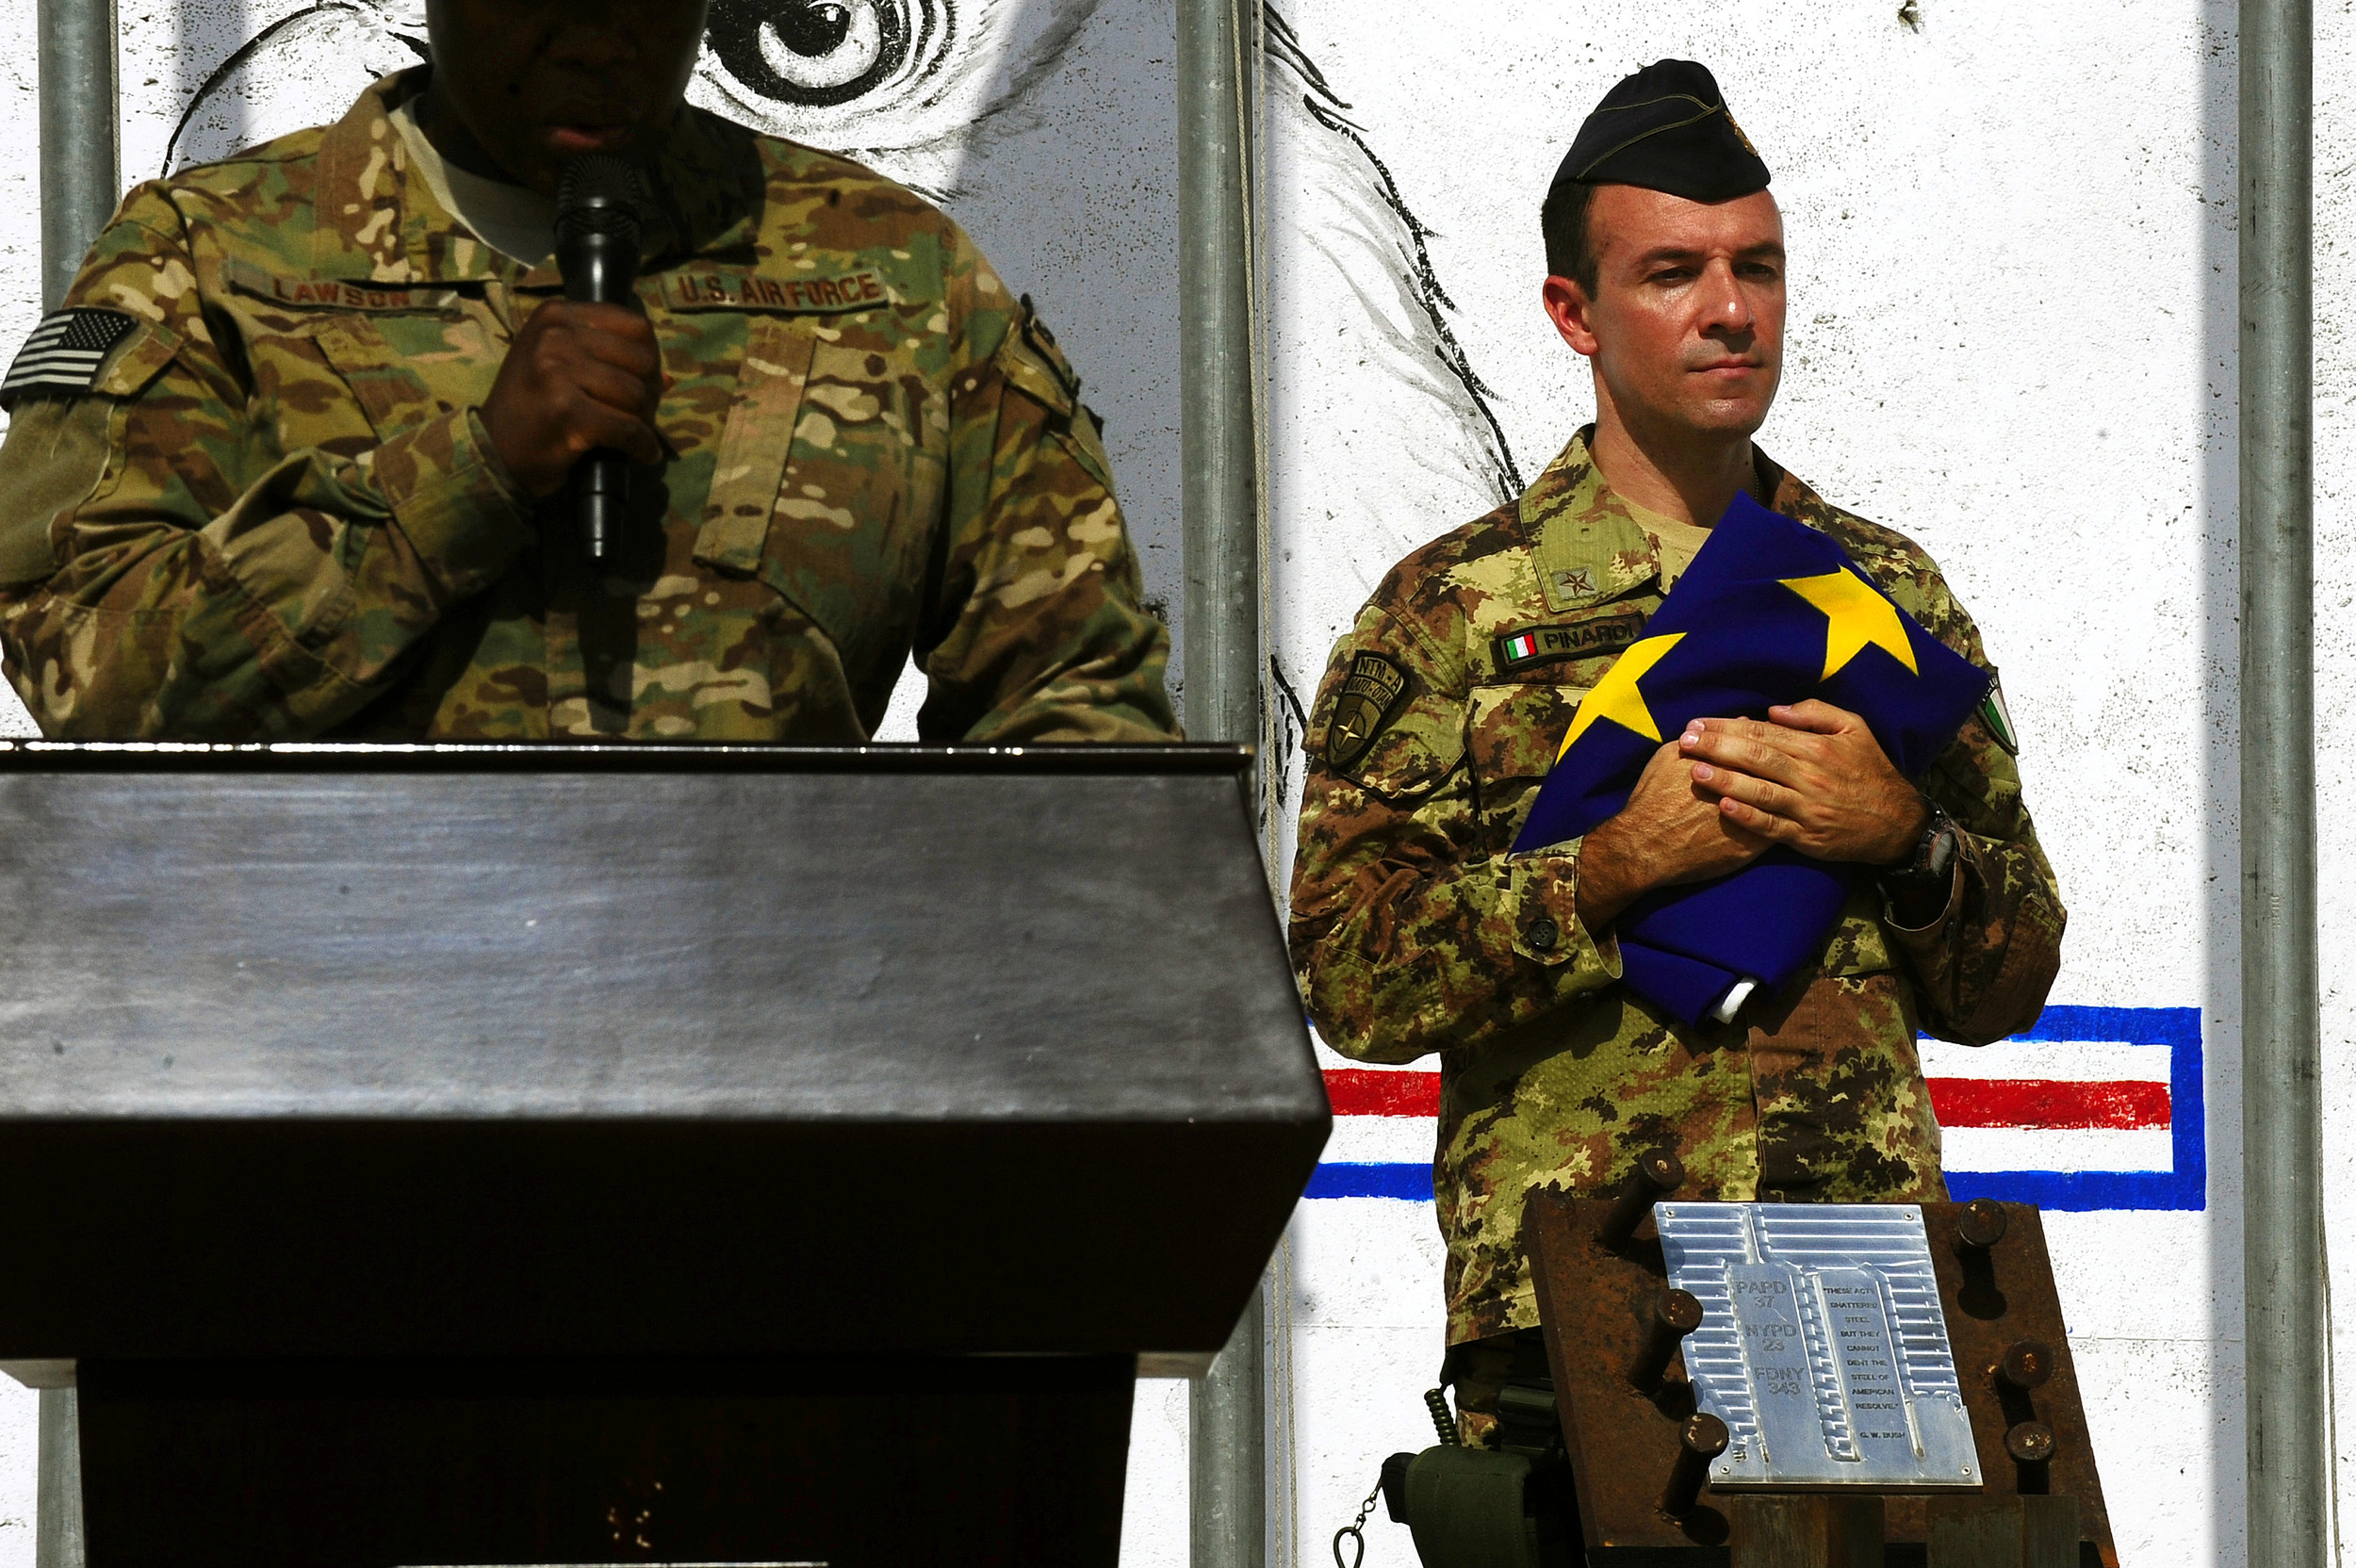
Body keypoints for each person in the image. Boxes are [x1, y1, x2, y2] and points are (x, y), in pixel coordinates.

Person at [1285, 60, 2065, 1446]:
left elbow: (2012, 971)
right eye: (1673, 272)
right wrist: (1607, 869)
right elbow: (1353, 974)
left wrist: (1906, 839)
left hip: (1856, 1291)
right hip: (1580, 1292)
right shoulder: (1458, 610)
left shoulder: (1883, 596)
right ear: (1572, 313)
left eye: (1755, 267)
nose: (1729, 310)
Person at [0, 0, 1175, 743]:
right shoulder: (211, 258)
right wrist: (467, 475)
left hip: (775, 1051)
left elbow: (1077, 716)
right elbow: (89, 669)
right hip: (334, 1053)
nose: (601, 33)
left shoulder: (888, 274)